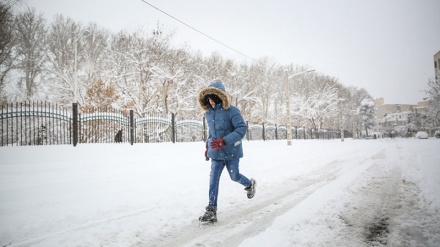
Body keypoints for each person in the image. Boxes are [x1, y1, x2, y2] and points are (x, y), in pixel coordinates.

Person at [197, 80, 256, 223]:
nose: (210, 102)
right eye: (208, 100)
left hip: (231, 151)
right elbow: (212, 134)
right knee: (213, 180)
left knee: (234, 176)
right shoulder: (209, 114)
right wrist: (207, 147)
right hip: (216, 153)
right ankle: (211, 210)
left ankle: (249, 184)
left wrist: (225, 141)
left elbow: (241, 129)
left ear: (218, 97)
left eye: (212, 99)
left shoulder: (232, 111)